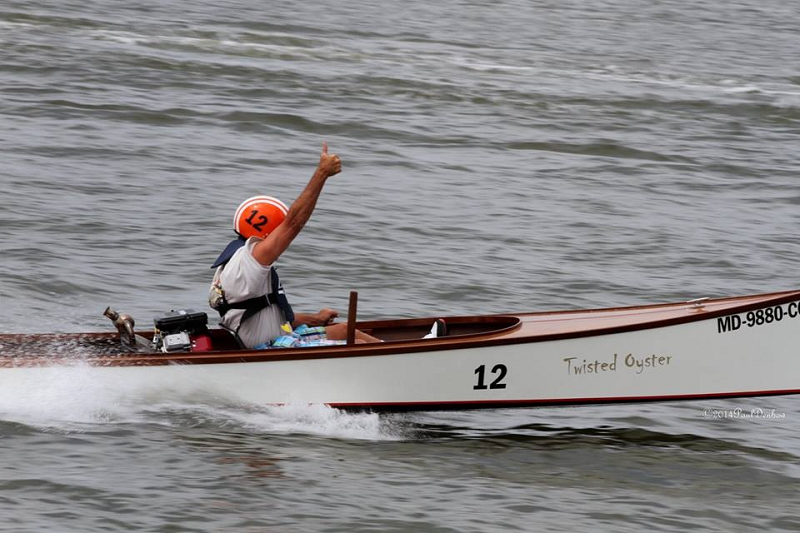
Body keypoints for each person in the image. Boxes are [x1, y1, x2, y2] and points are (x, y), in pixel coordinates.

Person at [208, 142, 382, 349]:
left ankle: (398, 356)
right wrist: (322, 174)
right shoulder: (250, 260)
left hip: (279, 335)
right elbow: (294, 222)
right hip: (267, 349)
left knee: (346, 330)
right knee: (358, 344)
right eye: (277, 232)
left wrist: (315, 319)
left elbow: (266, 313)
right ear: (268, 232)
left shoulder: (236, 260)